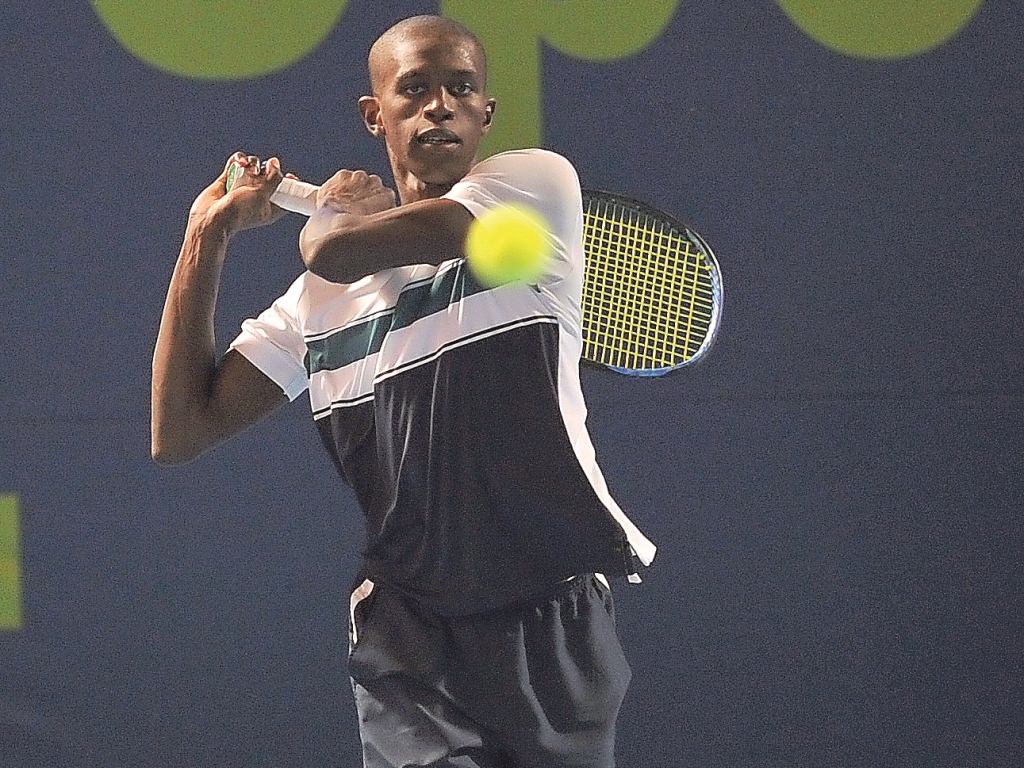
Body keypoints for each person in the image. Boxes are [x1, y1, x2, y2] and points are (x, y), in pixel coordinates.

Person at [151, 14, 655, 768]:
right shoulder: (314, 307)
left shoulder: (536, 185)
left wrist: (333, 213)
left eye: (460, 89)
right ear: (374, 113)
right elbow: (179, 429)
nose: (439, 106)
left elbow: (334, 246)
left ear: (487, 113)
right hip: (409, 634)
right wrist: (206, 235)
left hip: (553, 616)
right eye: (413, 90)